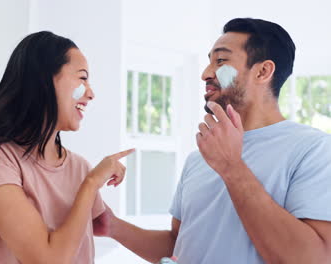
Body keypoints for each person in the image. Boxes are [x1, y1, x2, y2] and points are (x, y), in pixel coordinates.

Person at [94, 18, 331, 263]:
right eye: (209, 62)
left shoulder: (313, 150)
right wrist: (113, 227)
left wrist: (232, 167)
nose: (206, 74)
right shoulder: (200, 157)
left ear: (262, 71)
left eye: (220, 61)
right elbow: (180, 243)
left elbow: (314, 258)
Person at [0, 31, 134, 264]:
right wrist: (90, 185)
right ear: (45, 80)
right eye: (82, 78)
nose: (91, 93)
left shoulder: (79, 167)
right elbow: (47, 260)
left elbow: (119, 230)